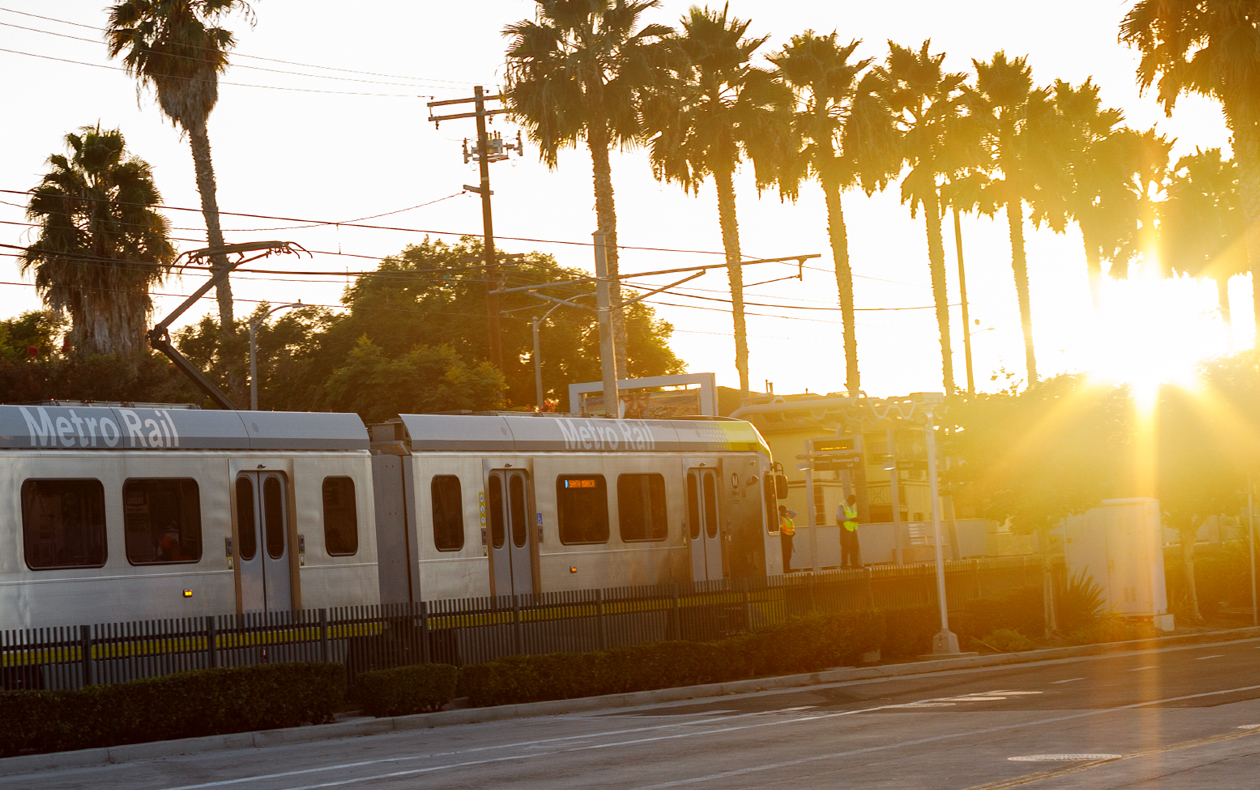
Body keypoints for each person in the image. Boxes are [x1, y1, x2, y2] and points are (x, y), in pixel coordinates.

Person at [838, 495, 862, 569]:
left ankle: (854, 564)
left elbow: (852, 515)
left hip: (852, 528)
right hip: (845, 528)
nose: (854, 503)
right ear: (849, 499)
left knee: (855, 546)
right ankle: (844, 565)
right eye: (853, 501)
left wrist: (856, 519)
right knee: (846, 546)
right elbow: (840, 517)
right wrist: (851, 519)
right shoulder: (842, 505)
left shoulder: (852, 506)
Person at [777, 504, 796, 573]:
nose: (784, 512)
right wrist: (779, 511)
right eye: (782, 511)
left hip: (789, 537)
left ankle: (788, 568)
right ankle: (785, 569)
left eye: (785, 511)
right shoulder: (779, 518)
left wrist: (786, 510)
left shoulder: (787, 516)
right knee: (785, 554)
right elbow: (778, 514)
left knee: (788, 554)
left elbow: (794, 513)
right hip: (784, 537)